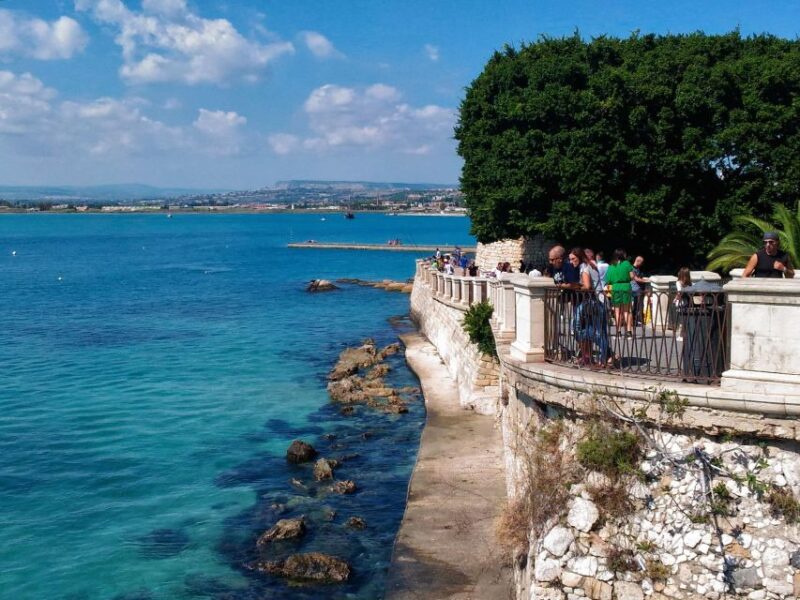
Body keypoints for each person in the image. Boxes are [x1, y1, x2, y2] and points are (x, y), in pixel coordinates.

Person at [568, 247, 614, 366]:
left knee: (582, 329)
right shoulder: (591, 265)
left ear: (579, 257)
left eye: (573, 258)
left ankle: (605, 358)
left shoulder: (584, 267)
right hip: (599, 300)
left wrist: (573, 286)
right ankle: (604, 358)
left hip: (593, 301)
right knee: (597, 331)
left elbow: (587, 286)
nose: (571, 261)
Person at [605, 248, 634, 337]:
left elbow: (608, 280)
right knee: (627, 310)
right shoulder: (627, 264)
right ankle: (628, 331)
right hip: (625, 287)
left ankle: (618, 332)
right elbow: (632, 276)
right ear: (622, 254)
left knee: (617, 311)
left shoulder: (611, 265)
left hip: (615, 287)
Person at [630, 256, 650, 326]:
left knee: (638, 305)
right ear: (637, 261)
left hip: (639, 289)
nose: (642, 264)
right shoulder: (631, 268)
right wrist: (646, 280)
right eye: (641, 262)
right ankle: (638, 321)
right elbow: (636, 279)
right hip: (636, 289)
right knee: (639, 305)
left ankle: (636, 320)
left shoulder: (638, 269)